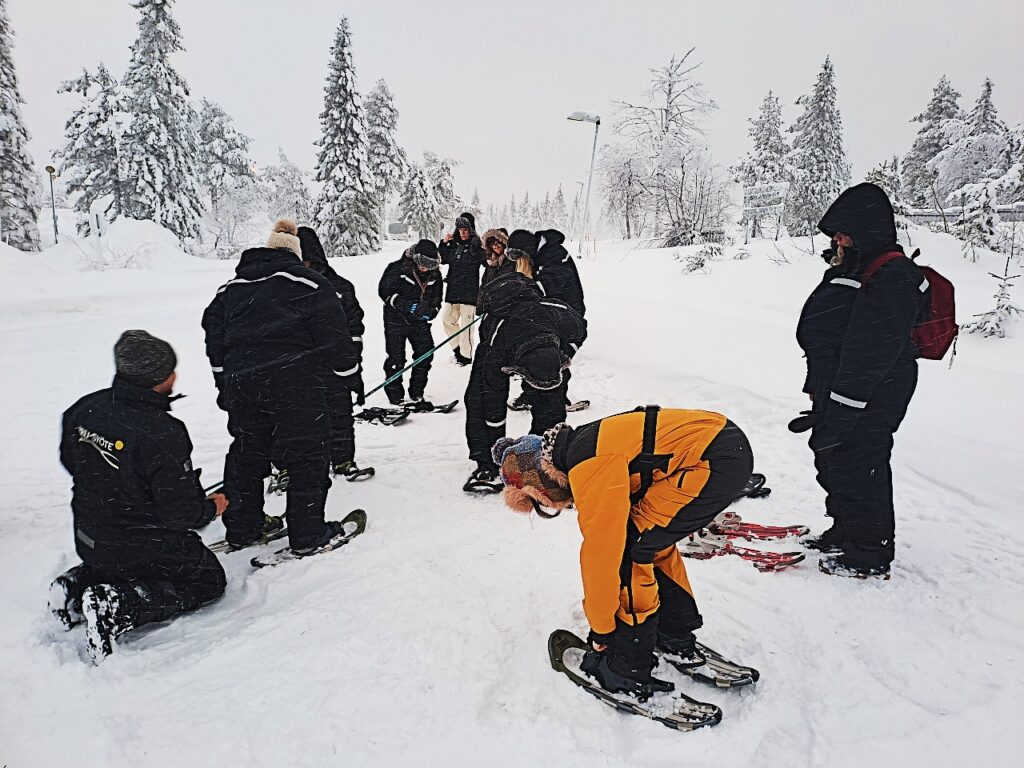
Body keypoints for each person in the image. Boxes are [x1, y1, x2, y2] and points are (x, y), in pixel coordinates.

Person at [492, 407, 753, 697]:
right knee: (649, 539)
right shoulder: (583, 443)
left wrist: (602, 628)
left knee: (631, 552)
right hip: (723, 443)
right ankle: (672, 631)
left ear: (542, 485)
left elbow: (602, 557)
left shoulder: (588, 465)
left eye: (544, 503)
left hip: (713, 461)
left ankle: (627, 669)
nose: (564, 506)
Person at [50, 331, 228, 663]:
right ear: (160, 378)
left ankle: (75, 585)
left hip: (89, 535)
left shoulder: (85, 409)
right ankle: (116, 606)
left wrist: (117, 488)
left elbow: (71, 461)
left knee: (120, 556)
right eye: (171, 370)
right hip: (138, 544)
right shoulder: (162, 432)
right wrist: (211, 508)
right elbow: (180, 514)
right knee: (207, 580)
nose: (175, 376)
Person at [795, 183, 929, 579]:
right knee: (832, 457)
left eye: (845, 232)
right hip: (841, 384)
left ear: (867, 229)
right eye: (835, 233)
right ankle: (846, 529)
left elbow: (871, 351)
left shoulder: (893, 275)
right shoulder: (858, 266)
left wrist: (844, 406)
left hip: (872, 389)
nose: (838, 239)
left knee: (860, 464)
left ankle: (869, 553)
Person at [202, 219, 360, 554]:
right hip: (294, 381)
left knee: (247, 451)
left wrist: (224, 384)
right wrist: (349, 376)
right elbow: (336, 339)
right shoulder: (309, 283)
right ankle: (307, 534)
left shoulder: (230, 289)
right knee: (308, 453)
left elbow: (214, 340)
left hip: (243, 384)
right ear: (295, 254)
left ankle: (243, 527)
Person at [464, 271, 586, 487]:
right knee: (479, 399)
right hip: (499, 336)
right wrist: (496, 444)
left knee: (552, 403)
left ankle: (542, 453)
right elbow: (492, 403)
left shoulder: (562, 315)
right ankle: (487, 460)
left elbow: (581, 331)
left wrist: (566, 352)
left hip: (549, 343)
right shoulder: (497, 348)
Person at [296, 225, 371, 480]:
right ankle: (297, 464)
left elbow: (355, 325)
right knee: (298, 418)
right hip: (300, 366)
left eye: (307, 259)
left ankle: (343, 460)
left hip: (335, 363)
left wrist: (353, 359)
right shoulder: (288, 287)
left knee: (340, 413)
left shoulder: (340, 286)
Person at [507, 229, 587, 411]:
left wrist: (523, 292)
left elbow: (552, 281)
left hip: (566, 313)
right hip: (548, 311)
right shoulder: (538, 256)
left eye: (519, 257)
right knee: (536, 353)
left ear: (526, 251)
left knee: (556, 357)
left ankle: (557, 401)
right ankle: (530, 395)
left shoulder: (555, 254)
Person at [377, 239, 443, 405]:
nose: (425, 267)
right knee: (396, 358)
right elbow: (384, 291)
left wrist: (431, 312)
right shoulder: (397, 268)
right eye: (422, 263)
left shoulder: (435, 275)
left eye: (429, 264)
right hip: (395, 320)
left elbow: (437, 299)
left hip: (419, 322)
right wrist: (407, 305)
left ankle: (417, 392)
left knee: (425, 354)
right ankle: (395, 395)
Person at [439, 213, 484, 366]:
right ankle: (458, 350)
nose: (463, 232)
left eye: (466, 229)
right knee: (447, 320)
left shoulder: (476, 245)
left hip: (469, 293)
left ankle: (465, 357)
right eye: (460, 229)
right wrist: (444, 243)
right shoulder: (453, 245)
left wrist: (482, 247)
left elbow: (486, 260)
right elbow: (443, 259)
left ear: (471, 229)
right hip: (452, 291)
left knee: (466, 327)